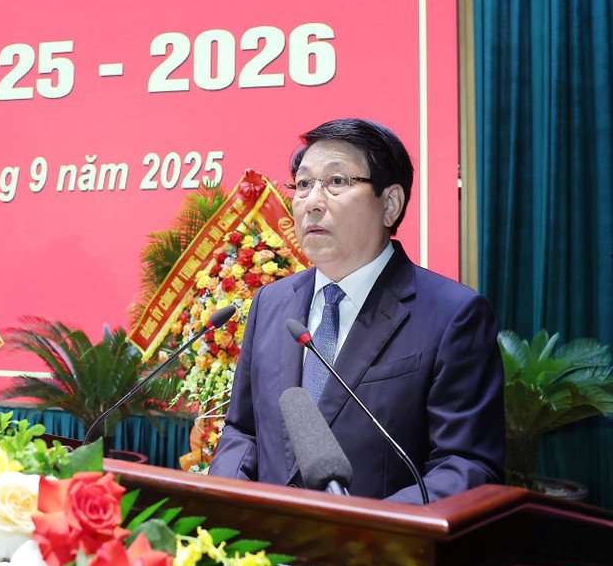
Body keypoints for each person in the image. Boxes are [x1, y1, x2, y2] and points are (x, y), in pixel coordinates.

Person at [208, 118, 505, 503]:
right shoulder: (271, 303)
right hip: (264, 551)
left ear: (390, 204)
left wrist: (366, 529)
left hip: (376, 554)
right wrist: (227, 499)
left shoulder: (453, 316)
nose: (312, 202)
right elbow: (242, 431)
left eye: (337, 182)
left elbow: (467, 464)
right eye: (302, 184)